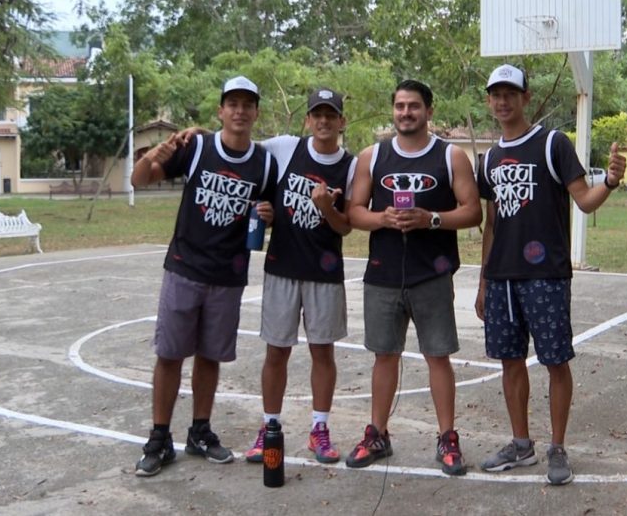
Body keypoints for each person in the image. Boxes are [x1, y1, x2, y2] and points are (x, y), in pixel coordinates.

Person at [474, 64, 626, 485]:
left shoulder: (552, 143)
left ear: (526, 97)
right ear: (489, 100)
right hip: (502, 277)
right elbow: (491, 221)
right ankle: (520, 444)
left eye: (510, 93)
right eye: (495, 94)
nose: (502, 101)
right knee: (509, 361)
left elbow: (585, 201)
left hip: (546, 275)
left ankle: (557, 447)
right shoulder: (488, 159)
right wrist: (484, 281)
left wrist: (610, 181)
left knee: (555, 362)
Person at [130, 75, 277, 477]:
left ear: (256, 112)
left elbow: (272, 210)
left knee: (210, 356)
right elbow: (139, 180)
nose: (240, 111)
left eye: (248, 105)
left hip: (228, 275)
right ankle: (159, 437)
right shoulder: (196, 147)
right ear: (220, 110)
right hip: (184, 266)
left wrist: (270, 214)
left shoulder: (264, 163)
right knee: (171, 354)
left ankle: (200, 430)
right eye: (233, 104)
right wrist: (154, 153)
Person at [345, 79, 482, 476]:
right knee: (384, 356)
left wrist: (431, 219)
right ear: (393, 110)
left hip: (432, 274)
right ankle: (378, 434)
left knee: (437, 356)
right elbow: (354, 213)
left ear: (429, 111)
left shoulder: (450, 156)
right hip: (383, 274)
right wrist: (382, 219)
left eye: (414, 106)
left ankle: (447, 438)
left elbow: (473, 212)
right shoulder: (372, 156)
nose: (406, 113)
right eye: (400, 106)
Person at [240, 88, 357, 464]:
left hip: (325, 273)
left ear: (341, 121)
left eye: (330, 114)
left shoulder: (351, 166)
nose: (323, 121)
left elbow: (345, 228)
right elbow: (242, 151)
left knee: (323, 352)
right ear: (307, 119)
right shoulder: (285, 148)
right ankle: (269, 427)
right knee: (277, 352)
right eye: (316, 114)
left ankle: (319, 429)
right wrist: (263, 207)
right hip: (282, 267)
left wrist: (326, 207)